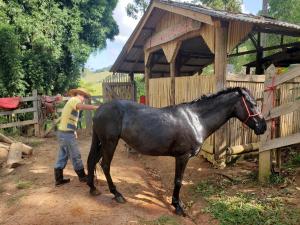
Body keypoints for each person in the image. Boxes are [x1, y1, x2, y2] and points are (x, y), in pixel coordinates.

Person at [54, 88, 98, 186]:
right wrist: (96, 107)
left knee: (62, 156)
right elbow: (80, 106)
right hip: (66, 134)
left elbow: (69, 119)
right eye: (84, 96)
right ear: (79, 94)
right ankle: (82, 177)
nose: (84, 99)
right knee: (75, 155)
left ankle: (58, 179)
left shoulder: (71, 101)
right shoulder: (75, 100)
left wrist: (74, 131)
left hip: (63, 132)